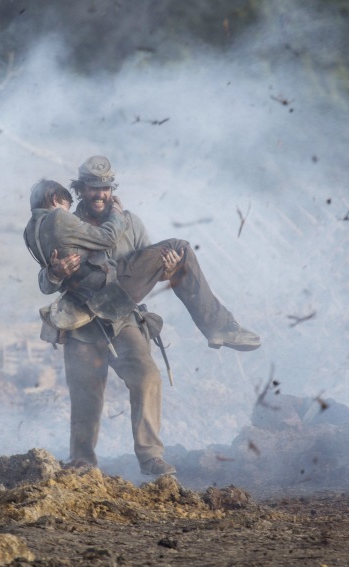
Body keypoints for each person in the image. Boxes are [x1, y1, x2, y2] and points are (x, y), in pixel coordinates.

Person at [24, 156, 260, 476]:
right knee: (85, 395)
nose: (100, 194)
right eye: (93, 188)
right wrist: (53, 273)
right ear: (80, 190)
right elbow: (43, 280)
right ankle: (82, 461)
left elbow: (148, 272)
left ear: (111, 190)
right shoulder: (63, 221)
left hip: (122, 316)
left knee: (147, 377)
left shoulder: (130, 222)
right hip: (80, 320)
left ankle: (150, 457)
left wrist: (170, 267)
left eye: (105, 188)